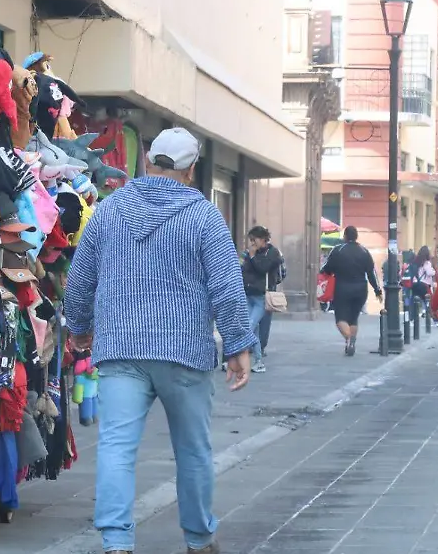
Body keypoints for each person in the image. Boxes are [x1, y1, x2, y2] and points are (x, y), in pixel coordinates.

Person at [66, 127, 254, 554]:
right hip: (184, 349)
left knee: (116, 447)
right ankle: (200, 538)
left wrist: (79, 328)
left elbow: (80, 278)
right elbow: (226, 285)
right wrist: (238, 345)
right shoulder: (205, 215)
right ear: (190, 169)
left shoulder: (111, 211)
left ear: (149, 159)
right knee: (193, 450)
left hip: (120, 349)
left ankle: (116, 542)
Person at [320, 226, 382, 356]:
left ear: (345, 236)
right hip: (360, 289)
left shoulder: (338, 250)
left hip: (342, 288)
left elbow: (327, 268)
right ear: (356, 236)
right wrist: (377, 290)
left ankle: (349, 338)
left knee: (341, 318)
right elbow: (372, 273)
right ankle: (351, 342)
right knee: (354, 318)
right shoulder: (364, 251)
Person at [241, 225, 283, 373]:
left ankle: (238, 356)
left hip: (261, 296)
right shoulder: (252, 253)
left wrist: (252, 257)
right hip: (248, 294)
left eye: (254, 240)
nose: (252, 243)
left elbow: (263, 268)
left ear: (263, 239)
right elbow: (245, 270)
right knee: (254, 331)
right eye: (251, 240)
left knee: (249, 327)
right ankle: (259, 361)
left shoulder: (272, 253)